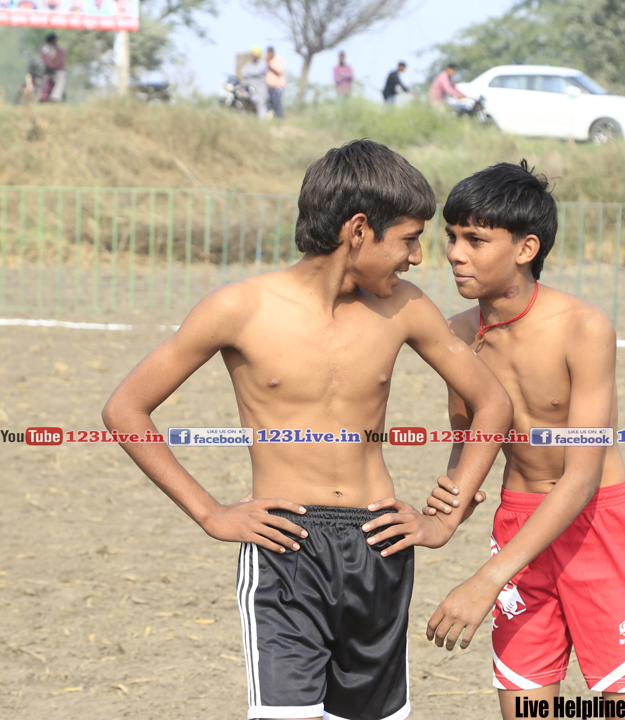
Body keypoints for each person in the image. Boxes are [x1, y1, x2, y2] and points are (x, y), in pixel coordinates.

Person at [102, 139, 513, 720]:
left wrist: (445, 516)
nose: (418, 257)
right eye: (409, 239)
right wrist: (210, 513)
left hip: (380, 546)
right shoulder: (239, 308)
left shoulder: (404, 307)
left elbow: (491, 401)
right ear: (359, 230)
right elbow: (126, 409)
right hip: (285, 548)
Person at [400, 161, 625, 713]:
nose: (454, 253)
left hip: (597, 521)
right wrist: (445, 511)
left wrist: (487, 579)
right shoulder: (457, 334)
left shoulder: (583, 327)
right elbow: (468, 440)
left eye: (475, 240)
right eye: (451, 236)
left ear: (525, 248)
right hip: (518, 519)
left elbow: (582, 476)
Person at [240, 46, 270, 119]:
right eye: (253, 54)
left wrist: (249, 74)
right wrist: (251, 74)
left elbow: (257, 72)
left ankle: (262, 121)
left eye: (256, 54)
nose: (254, 56)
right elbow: (243, 73)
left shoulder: (263, 64)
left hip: (261, 89)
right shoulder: (249, 65)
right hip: (250, 89)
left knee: (261, 104)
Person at [39, 33, 66, 102]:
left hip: (57, 71)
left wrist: (52, 66)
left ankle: (55, 98)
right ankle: (39, 97)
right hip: (46, 70)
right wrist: (48, 65)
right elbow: (43, 58)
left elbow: (58, 61)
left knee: (60, 80)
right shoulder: (44, 49)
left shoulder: (60, 50)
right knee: (39, 81)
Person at [265, 46, 285, 119]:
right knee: (269, 105)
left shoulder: (278, 60)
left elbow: (278, 71)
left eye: (270, 52)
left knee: (276, 103)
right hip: (268, 87)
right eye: (268, 52)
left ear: (273, 52)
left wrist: (269, 64)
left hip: (276, 86)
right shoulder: (266, 61)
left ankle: (280, 119)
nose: (269, 54)